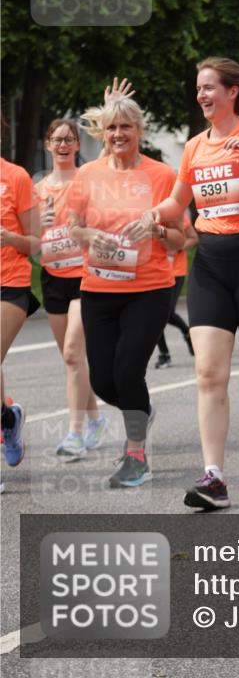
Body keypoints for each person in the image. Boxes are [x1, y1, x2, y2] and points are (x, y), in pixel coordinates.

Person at [152, 57, 239, 510]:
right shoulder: (194, 147)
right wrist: (148, 216)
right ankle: (214, 477)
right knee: (209, 374)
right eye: (198, 88)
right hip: (210, 263)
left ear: (233, 92)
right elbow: (178, 201)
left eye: (210, 87)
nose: (201, 95)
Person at [69, 97, 184, 488]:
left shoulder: (162, 175)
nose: (119, 134)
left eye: (126, 127)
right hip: (98, 289)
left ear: (140, 131)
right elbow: (74, 228)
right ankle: (141, 410)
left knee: (127, 370)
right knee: (102, 382)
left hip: (148, 289)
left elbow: (183, 238)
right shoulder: (87, 175)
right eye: (112, 128)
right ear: (103, 133)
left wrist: (156, 230)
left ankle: (136, 456)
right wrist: (90, 235)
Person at [35, 119, 106, 458]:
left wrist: (108, 114)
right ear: (48, 144)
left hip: (84, 274)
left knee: (73, 354)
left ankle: (74, 433)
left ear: (78, 145)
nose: (63, 144)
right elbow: (32, 239)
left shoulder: (88, 177)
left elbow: (110, 153)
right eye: (57, 138)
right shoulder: (38, 187)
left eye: (69, 139)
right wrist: (39, 225)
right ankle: (94, 418)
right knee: (72, 359)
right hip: (52, 276)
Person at [1, 142, 40, 489]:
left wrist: (11, 237)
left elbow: (36, 242)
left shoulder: (16, 177)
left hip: (10, 284)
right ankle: (7, 419)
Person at [154, 217, 197, 369]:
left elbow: (193, 238)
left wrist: (178, 246)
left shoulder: (177, 215)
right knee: (156, 314)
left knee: (166, 313)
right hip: (154, 271)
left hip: (175, 271)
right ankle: (164, 354)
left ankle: (187, 333)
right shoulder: (147, 215)